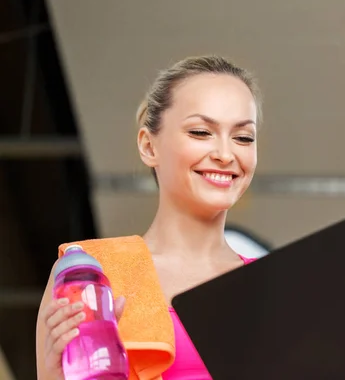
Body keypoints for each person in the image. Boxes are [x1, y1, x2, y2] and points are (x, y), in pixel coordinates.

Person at [35, 55, 262, 379]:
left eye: (243, 137)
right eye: (200, 132)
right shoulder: (88, 275)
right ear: (148, 145)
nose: (225, 155)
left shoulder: (274, 290)